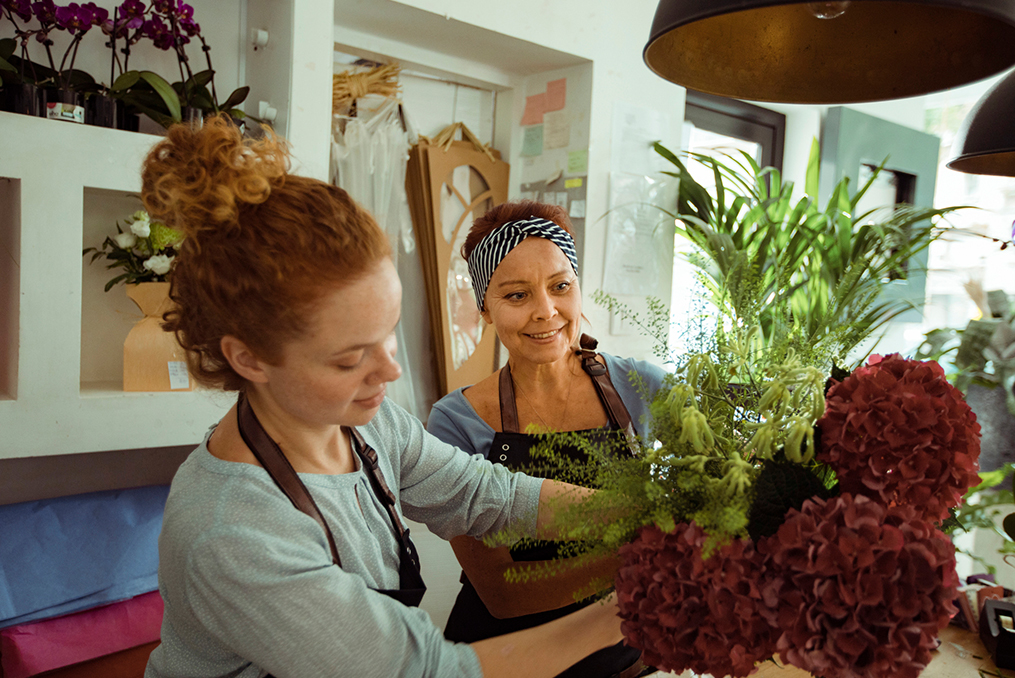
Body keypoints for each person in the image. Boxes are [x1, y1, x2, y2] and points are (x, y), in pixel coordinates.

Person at [140, 116, 624, 678]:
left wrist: (651, 511)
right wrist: (636, 605)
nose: (389, 370)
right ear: (249, 358)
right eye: (349, 358)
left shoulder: (370, 427)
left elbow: (487, 495)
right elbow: (427, 672)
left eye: (388, 332)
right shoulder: (234, 533)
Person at [426, 201, 668, 678]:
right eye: (517, 295)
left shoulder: (643, 388)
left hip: (626, 664)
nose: (545, 311)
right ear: (485, 309)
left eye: (561, 286)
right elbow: (502, 593)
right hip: (506, 662)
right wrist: (653, 559)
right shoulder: (456, 421)